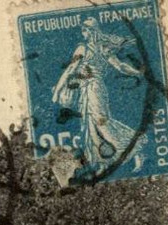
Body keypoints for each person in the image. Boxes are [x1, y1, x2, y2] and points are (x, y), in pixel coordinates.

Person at [51, 17, 146, 176]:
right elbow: (72, 70)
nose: (84, 33)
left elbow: (119, 65)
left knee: (101, 123)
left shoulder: (94, 48)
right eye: (83, 30)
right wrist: (137, 72)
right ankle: (102, 162)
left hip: (94, 89)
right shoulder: (93, 48)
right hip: (86, 90)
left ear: (93, 31)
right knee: (89, 126)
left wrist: (56, 93)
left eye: (86, 29)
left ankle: (134, 149)